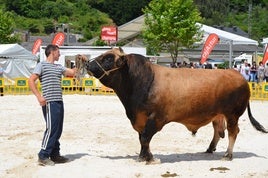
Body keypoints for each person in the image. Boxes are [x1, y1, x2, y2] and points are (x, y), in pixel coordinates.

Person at [28, 44, 77, 166]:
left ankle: (55, 155)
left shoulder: (59, 67)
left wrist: (79, 62)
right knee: (51, 129)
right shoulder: (41, 65)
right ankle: (43, 155)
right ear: (52, 52)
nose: (59, 54)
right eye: (58, 52)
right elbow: (31, 80)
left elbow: (72, 72)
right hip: (49, 102)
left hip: (59, 101)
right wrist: (39, 97)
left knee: (58, 129)